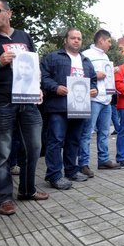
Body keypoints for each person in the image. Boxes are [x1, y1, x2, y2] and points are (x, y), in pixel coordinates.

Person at [0, 0, 48, 215]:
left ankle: (27, 190)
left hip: (28, 101)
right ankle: (4, 198)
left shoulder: (24, 36)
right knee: (2, 153)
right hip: (1, 102)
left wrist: (38, 88)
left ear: (9, 13)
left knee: (34, 147)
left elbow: (34, 66)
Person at [41, 28, 98, 189]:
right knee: (55, 141)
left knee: (74, 140)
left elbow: (93, 81)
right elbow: (43, 77)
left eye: (79, 38)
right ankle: (54, 175)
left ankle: (71, 170)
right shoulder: (53, 57)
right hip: (59, 106)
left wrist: (94, 90)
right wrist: (55, 87)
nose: (76, 41)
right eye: (73, 38)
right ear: (66, 40)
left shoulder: (86, 61)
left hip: (80, 107)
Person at [79, 29, 120, 171]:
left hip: (106, 100)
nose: (110, 44)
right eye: (109, 41)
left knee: (104, 132)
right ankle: (83, 163)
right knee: (87, 132)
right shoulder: (85, 55)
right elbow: (80, 74)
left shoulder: (106, 57)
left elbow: (105, 76)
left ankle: (103, 160)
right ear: (101, 40)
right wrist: (95, 75)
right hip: (93, 99)